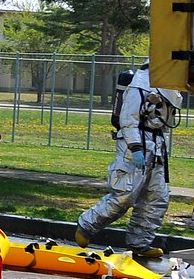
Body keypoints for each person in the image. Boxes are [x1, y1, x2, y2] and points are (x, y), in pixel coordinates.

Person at [77, 65, 181, 258]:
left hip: (156, 148)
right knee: (125, 194)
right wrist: (135, 147)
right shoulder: (139, 84)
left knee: (156, 198)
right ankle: (86, 225)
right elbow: (128, 118)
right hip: (135, 146)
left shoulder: (168, 86)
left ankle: (139, 243)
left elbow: (164, 122)